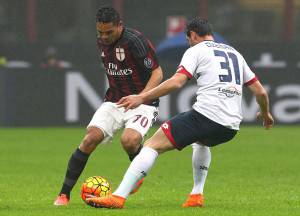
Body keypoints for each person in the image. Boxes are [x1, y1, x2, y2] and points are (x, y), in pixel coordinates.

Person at [86, 17, 274, 209]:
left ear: (192, 35)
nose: (189, 43)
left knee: (152, 145)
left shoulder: (196, 50)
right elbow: (260, 91)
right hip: (230, 127)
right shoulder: (235, 54)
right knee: (201, 141)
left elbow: (177, 82)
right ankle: (196, 195)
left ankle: (118, 197)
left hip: (206, 116)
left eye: (188, 39)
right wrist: (266, 114)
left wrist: (141, 98)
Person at [54, 7, 163, 206]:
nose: (104, 37)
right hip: (114, 101)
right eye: (100, 32)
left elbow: (158, 73)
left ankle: (137, 171)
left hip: (143, 102)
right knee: (89, 139)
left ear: (120, 26)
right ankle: (63, 195)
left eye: (109, 32)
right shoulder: (101, 42)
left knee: (129, 141)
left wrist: (141, 97)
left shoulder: (135, 40)